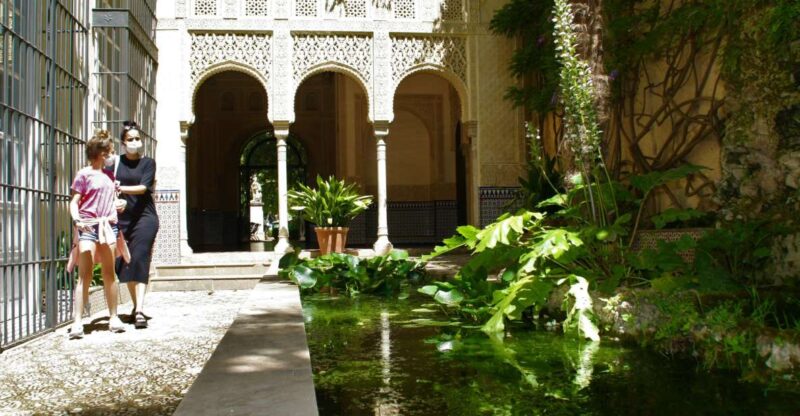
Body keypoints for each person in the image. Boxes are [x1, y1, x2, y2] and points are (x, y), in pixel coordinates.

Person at [68, 130, 127, 339]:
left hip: (108, 226)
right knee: (84, 274)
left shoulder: (111, 177)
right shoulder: (83, 174)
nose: (112, 155)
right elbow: (74, 202)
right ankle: (77, 322)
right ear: (102, 153)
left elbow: (113, 201)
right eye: (110, 151)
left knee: (109, 273)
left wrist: (121, 203)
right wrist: (77, 221)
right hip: (89, 227)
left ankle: (113, 317)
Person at [115, 121, 159, 329]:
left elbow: (143, 188)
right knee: (126, 263)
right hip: (122, 219)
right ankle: (135, 306)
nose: (135, 142)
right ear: (123, 143)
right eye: (130, 139)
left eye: (137, 139)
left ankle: (139, 310)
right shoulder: (115, 163)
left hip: (145, 218)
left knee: (140, 257)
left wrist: (120, 187)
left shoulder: (148, 163)